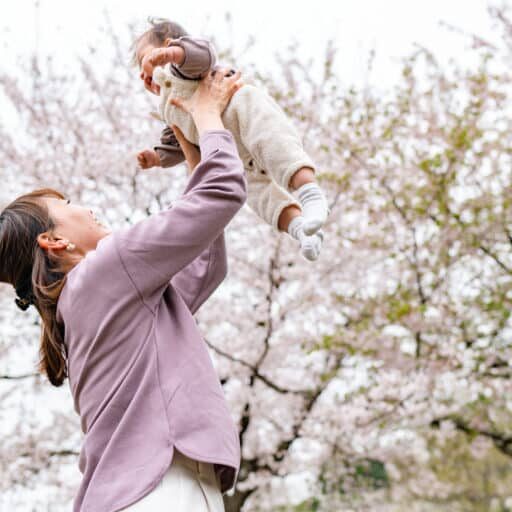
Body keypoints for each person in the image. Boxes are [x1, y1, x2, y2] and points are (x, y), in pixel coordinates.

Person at [0, 67, 246, 512]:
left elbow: (205, 266)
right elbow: (223, 191)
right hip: (158, 489)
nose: (87, 208)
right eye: (69, 206)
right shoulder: (105, 270)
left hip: (143, 490)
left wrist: (188, 142)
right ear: (54, 241)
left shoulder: (87, 302)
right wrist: (208, 114)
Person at [133, 18, 329, 261]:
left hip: (244, 115)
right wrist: (156, 157)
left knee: (276, 147)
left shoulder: (184, 68)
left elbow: (203, 54)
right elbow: (174, 143)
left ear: (167, 45)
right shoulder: (168, 108)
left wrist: (173, 54)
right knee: (255, 194)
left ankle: (309, 192)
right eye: (140, 75)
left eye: (144, 60)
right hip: (235, 155)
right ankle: (300, 229)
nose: (144, 75)